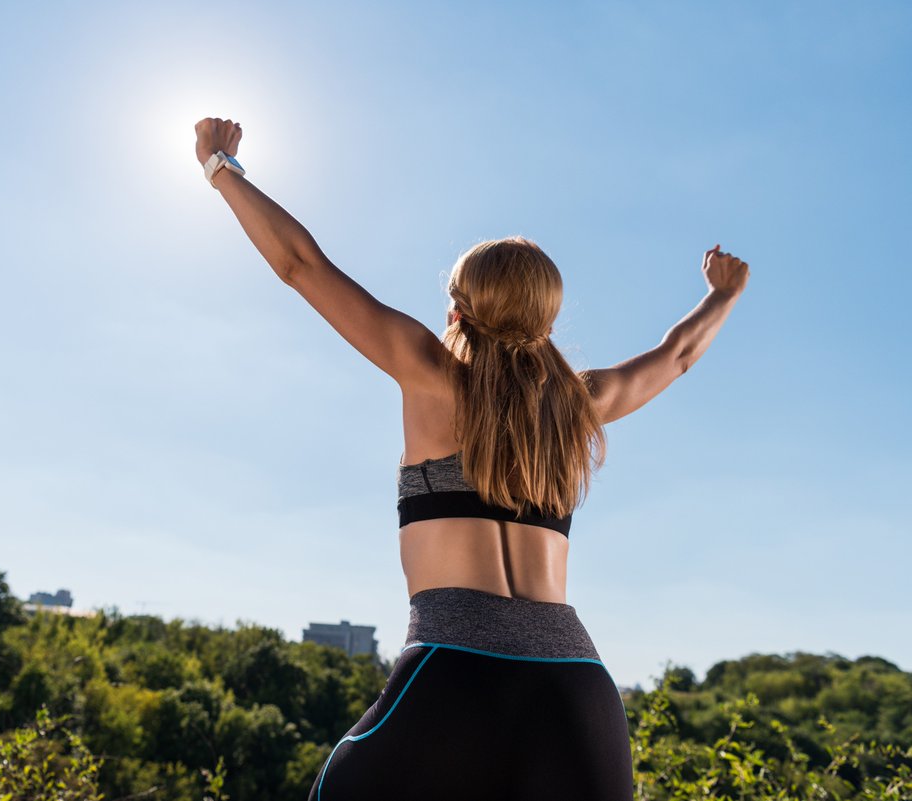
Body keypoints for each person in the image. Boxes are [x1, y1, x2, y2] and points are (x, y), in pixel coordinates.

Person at [194, 117, 750, 800]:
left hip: (456, 668)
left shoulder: (428, 371)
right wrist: (722, 295)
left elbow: (300, 264)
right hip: (576, 687)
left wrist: (220, 164)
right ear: (545, 319)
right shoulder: (576, 405)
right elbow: (679, 355)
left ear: (458, 309)